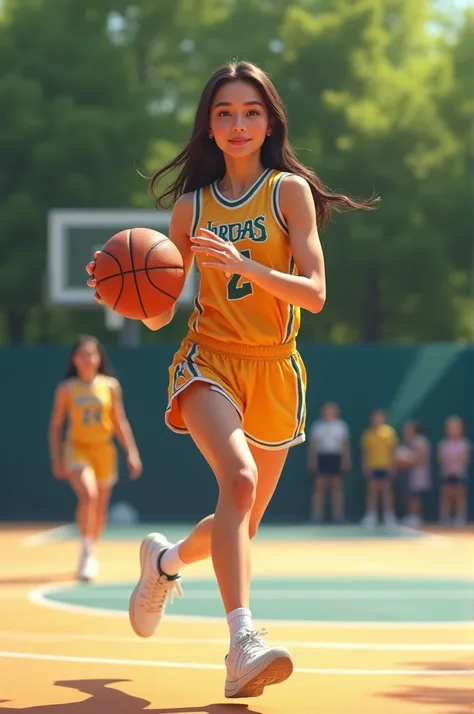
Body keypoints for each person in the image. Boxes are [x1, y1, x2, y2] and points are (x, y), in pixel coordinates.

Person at [86, 60, 376, 698]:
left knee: (236, 523)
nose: (238, 123)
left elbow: (317, 293)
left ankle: (162, 563)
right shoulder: (191, 208)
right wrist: (124, 298)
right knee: (238, 480)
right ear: (209, 129)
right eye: (225, 114)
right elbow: (162, 310)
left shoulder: (288, 193)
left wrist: (248, 264)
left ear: (269, 121)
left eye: (250, 111)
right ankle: (242, 643)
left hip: (275, 366)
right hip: (208, 360)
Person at [49, 335, 142, 580]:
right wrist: (56, 457)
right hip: (78, 448)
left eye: (92, 354)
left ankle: (91, 548)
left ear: (99, 358)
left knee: (100, 507)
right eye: (83, 354)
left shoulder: (110, 386)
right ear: (74, 359)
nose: (88, 359)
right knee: (88, 495)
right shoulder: (67, 389)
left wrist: (131, 451)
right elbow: (56, 425)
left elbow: (119, 421)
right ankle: (85, 551)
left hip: (104, 449)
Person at [306, 402, 351, 523]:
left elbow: (344, 445)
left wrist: (346, 460)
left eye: (331, 410)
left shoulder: (341, 426)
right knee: (319, 487)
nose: (328, 413)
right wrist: (312, 460)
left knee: (337, 487)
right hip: (322, 457)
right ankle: (317, 516)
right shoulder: (317, 426)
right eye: (326, 410)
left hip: (336, 457)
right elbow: (313, 445)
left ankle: (338, 516)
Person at [360, 408, 398, 527]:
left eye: (379, 417)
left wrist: (393, 466)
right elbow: (365, 453)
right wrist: (366, 467)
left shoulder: (389, 433)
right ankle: (371, 515)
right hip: (373, 467)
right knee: (372, 492)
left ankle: (389, 516)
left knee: (387, 492)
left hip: (386, 466)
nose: (377, 419)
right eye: (375, 417)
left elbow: (392, 451)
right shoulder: (368, 434)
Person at [437, 415, 471, 527]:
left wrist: (458, 470)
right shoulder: (443, 443)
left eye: (456, 427)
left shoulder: (464, 443)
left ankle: (460, 517)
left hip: (460, 474)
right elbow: (441, 458)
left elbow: (465, 459)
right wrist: (448, 469)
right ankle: (445, 517)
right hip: (447, 474)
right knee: (446, 495)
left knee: (460, 496)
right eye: (451, 427)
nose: (454, 430)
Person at [398, 419, 431, 528]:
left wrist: (409, 461)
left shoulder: (420, 441)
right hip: (411, 473)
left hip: (419, 473)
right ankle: (411, 515)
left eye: (409, 428)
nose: (406, 431)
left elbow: (421, 456)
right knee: (410, 494)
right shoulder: (409, 442)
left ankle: (416, 516)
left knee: (416, 495)